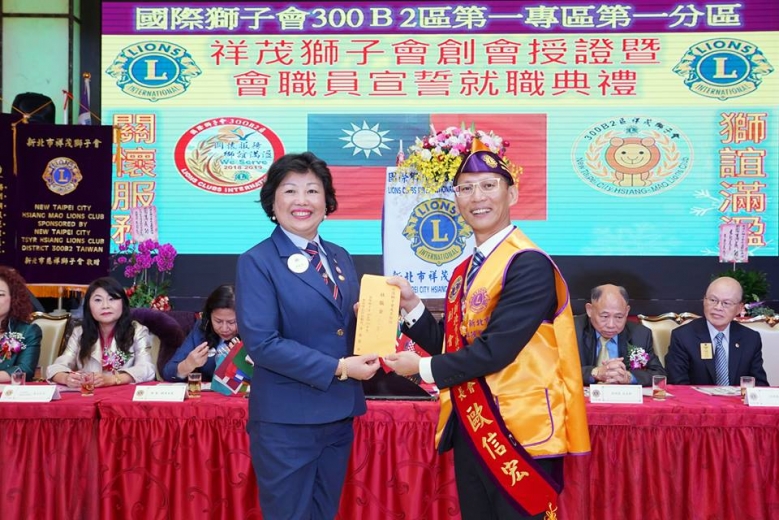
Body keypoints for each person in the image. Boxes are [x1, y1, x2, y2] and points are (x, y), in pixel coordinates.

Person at [384, 150, 590, 520]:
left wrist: (422, 368)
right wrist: (412, 305)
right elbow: (453, 344)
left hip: (520, 430)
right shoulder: (465, 270)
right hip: (472, 425)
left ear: (512, 194)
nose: (477, 197)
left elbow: (497, 350)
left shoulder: (528, 263)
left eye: (488, 186)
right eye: (465, 188)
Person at [235, 152, 380, 520]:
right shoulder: (258, 261)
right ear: (272, 202)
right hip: (286, 423)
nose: (302, 200)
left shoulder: (340, 256)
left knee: (324, 513)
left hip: (338, 416)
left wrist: (372, 323)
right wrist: (339, 368)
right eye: (290, 190)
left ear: (327, 201)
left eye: (313, 190)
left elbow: (338, 326)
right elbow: (263, 343)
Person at [47, 277, 156, 387]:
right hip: (89, 394)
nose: (105, 306)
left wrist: (113, 379)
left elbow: (146, 369)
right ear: (88, 306)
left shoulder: (137, 331)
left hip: (121, 394)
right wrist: (66, 378)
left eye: (112, 299)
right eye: (98, 300)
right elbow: (56, 367)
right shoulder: (80, 332)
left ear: (123, 303)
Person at [666, 276, 769, 386]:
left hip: (737, 397)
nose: (718, 307)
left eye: (726, 303)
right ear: (704, 301)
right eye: (713, 300)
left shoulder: (750, 338)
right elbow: (678, 386)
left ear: (739, 308)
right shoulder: (683, 337)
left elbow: (759, 386)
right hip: (697, 397)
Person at [576, 284, 666, 386]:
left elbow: (659, 374)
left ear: (626, 311)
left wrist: (629, 377)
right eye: (604, 316)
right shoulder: (572, 331)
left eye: (618, 317)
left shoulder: (640, 334)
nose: (611, 325)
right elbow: (561, 371)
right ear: (590, 310)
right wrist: (594, 373)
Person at [162, 284, 238, 382]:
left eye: (231, 322)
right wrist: (187, 365)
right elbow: (168, 373)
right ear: (209, 316)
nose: (224, 328)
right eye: (218, 321)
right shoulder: (203, 328)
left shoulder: (253, 334)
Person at [0, 266, 42, 382]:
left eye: (0, 294)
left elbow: (25, 369)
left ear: (14, 298)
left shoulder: (28, 331)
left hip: (8, 391)